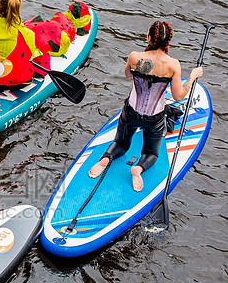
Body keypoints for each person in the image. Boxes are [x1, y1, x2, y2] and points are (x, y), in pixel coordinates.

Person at [87, 20, 204, 192]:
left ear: (149, 37)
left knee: (120, 142)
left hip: (131, 112)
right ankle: (138, 168)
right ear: (168, 42)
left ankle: (106, 158)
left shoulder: (135, 56)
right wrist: (192, 76)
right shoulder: (173, 65)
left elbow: (128, 75)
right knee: (151, 153)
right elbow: (178, 96)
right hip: (154, 117)